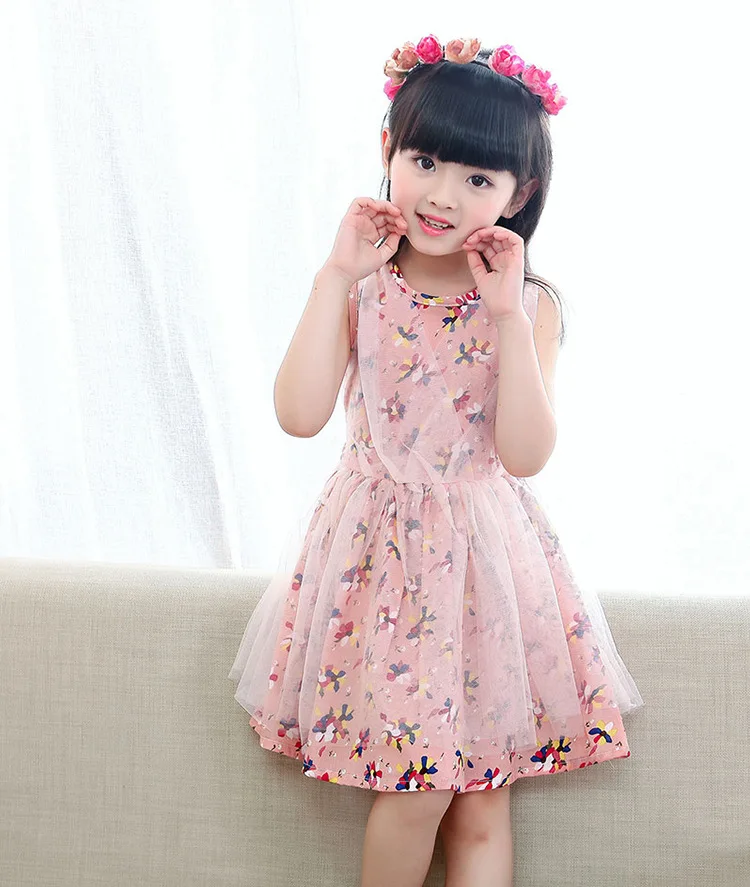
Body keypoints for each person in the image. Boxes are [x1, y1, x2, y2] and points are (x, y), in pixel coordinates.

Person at [228, 35, 645, 887]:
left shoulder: (527, 307)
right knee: (417, 790)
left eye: (479, 179)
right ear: (388, 149)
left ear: (520, 194)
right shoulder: (362, 289)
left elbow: (525, 454)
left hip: (487, 570)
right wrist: (334, 273)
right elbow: (298, 415)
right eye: (424, 161)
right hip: (383, 567)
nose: (444, 195)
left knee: (482, 802)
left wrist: (505, 317)